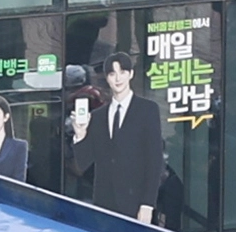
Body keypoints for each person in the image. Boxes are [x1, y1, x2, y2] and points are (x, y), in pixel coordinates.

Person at [67, 51, 167, 220]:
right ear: (107, 78)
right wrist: (80, 136)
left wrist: (147, 204)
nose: (118, 79)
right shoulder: (98, 116)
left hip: (135, 201)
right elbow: (85, 165)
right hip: (104, 204)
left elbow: (154, 160)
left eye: (122, 72)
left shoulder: (147, 110)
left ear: (131, 74)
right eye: (112, 74)